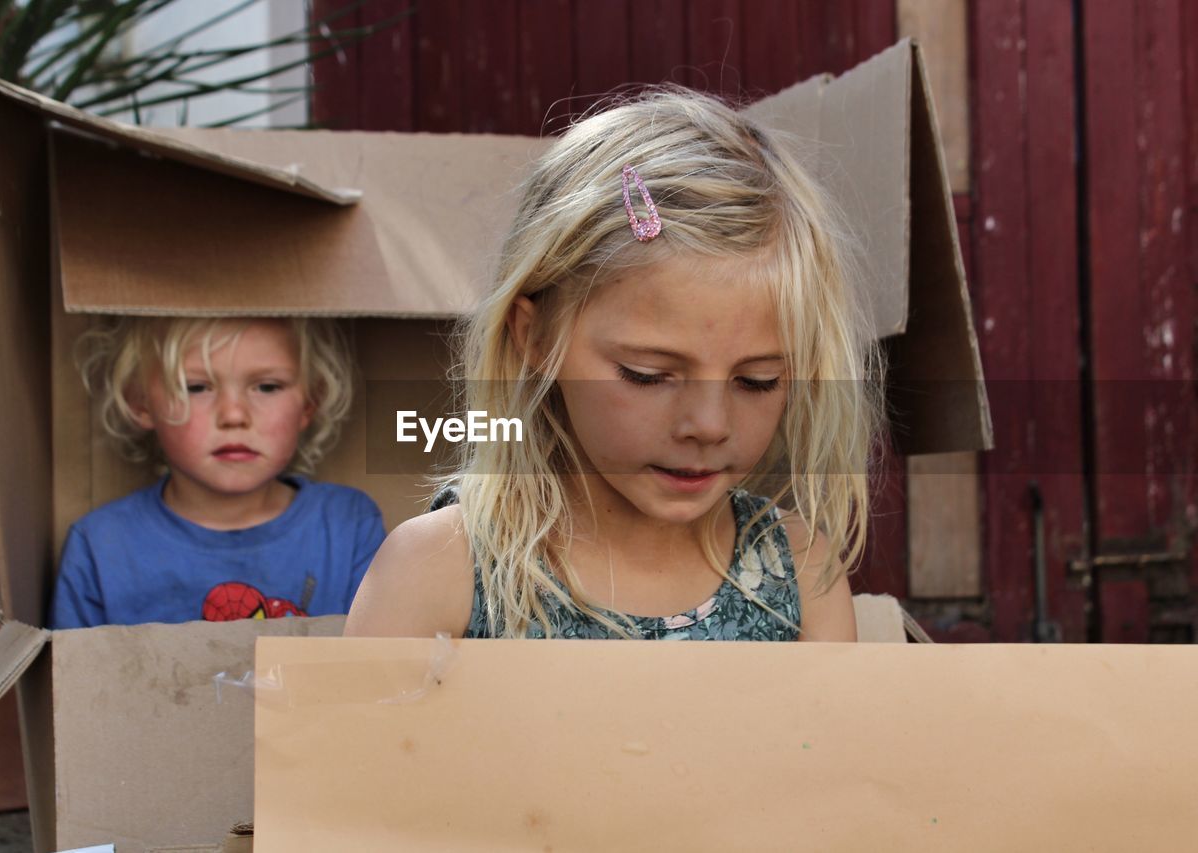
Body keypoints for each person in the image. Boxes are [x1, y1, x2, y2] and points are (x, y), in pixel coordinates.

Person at [346, 89, 882, 641]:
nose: (709, 424)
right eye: (648, 375)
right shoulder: (441, 570)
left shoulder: (800, 572)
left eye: (757, 380)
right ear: (534, 336)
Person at [49, 316, 385, 628]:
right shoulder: (102, 546)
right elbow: (68, 684)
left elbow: (389, 672)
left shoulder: (346, 526)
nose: (234, 414)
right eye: (196, 387)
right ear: (140, 402)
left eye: (267, 387)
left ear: (309, 403)